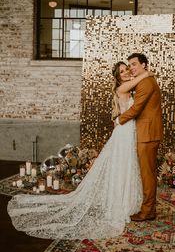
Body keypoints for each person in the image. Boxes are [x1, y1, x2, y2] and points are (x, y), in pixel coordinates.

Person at [7, 62, 151, 240]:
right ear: (118, 77)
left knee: (127, 165)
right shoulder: (122, 88)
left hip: (129, 130)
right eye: (121, 71)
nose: (126, 72)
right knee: (122, 165)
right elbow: (141, 79)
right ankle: (118, 203)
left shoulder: (131, 88)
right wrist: (146, 73)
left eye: (127, 69)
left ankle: (125, 201)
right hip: (124, 132)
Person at [115, 53, 163, 222]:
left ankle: (148, 211)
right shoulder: (143, 81)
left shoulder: (146, 83)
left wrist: (119, 119)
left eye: (134, 64)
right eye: (130, 66)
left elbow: (136, 109)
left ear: (143, 64)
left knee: (147, 174)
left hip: (148, 133)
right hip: (145, 132)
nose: (132, 68)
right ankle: (148, 207)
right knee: (146, 172)